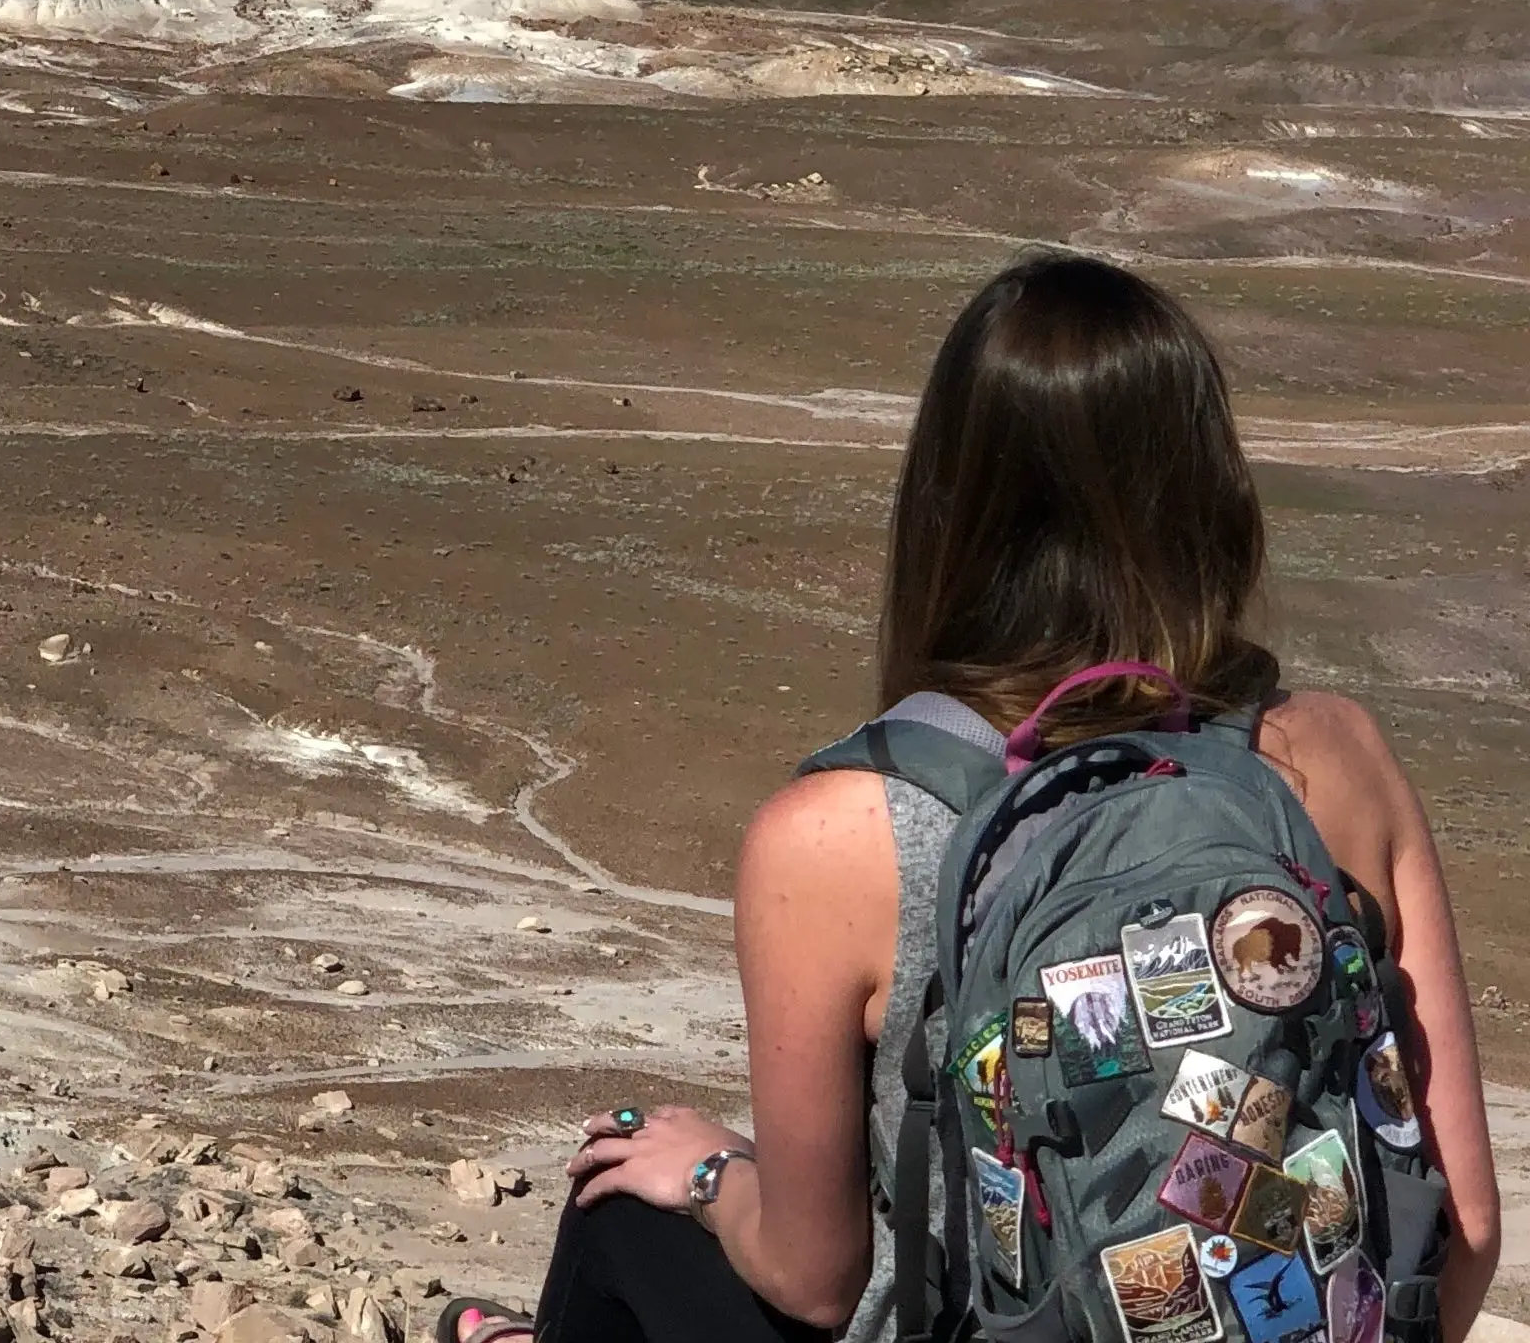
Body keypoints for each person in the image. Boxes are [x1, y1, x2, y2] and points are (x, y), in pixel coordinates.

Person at [442, 251, 1501, 1343]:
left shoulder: (840, 830)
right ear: (1207, 490)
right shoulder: (1332, 755)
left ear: (950, 502)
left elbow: (812, 1276)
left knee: (622, 1205)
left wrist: (710, 1172)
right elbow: (1462, 1229)